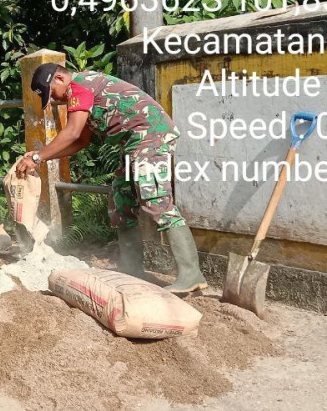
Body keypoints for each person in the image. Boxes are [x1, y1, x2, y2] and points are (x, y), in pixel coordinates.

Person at [14, 62, 208, 294]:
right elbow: (80, 141)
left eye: (52, 94)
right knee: (121, 201)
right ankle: (132, 270)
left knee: (155, 200)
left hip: (150, 137)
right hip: (134, 143)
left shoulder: (78, 87)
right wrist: (42, 156)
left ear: (59, 79)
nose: (55, 100)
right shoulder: (80, 92)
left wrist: (37, 156)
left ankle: (191, 274)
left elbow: (73, 133)